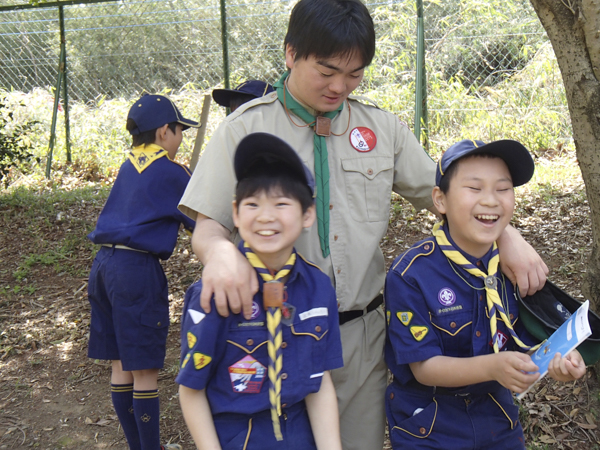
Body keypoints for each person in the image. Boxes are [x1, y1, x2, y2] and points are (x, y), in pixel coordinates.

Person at [178, 1, 548, 448]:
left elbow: (450, 197)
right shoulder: (245, 130)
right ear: (291, 53)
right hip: (270, 334)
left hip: (360, 338)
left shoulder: (381, 129)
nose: (340, 86)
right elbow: (208, 227)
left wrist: (508, 235)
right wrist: (219, 254)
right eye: (328, 70)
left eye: (354, 74)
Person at [384, 139, 586, 449]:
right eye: (475, 188)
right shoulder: (411, 275)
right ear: (440, 199)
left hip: (497, 421)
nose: (491, 200)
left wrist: (555, 360)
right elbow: (423, 368)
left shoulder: (509, 268)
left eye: (503, 189)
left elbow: (521, 340)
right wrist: (493, 367)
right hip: (430, 424)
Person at [177, 132, 343, 449]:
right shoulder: (215, 291)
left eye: (281, 203)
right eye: (252, 204)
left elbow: (319, 383)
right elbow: (191, 390)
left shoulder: (318, 287)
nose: (266, 216)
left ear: (308, 214)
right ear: (236, 214)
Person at [87, 94, 198, 450]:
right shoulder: (170, 171)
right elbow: (200, 220)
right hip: (136, 270)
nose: (181, 139)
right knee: (146, 371)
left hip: (104, 266)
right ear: (165, 131)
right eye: (180, 130)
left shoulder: (128, 164)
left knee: (122, 364)